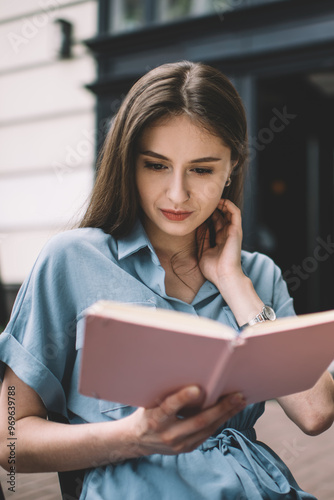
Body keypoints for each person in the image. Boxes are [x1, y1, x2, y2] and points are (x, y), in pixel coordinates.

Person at [0, 61, 333, 500]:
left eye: (202, 169)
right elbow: (8, 437)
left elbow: (314, 411)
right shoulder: (71, 260)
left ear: (231, 168)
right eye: (156, 165)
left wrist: (233, 282)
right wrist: (133, 437)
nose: (177, 195)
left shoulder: (258, 275)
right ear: (128, 163)